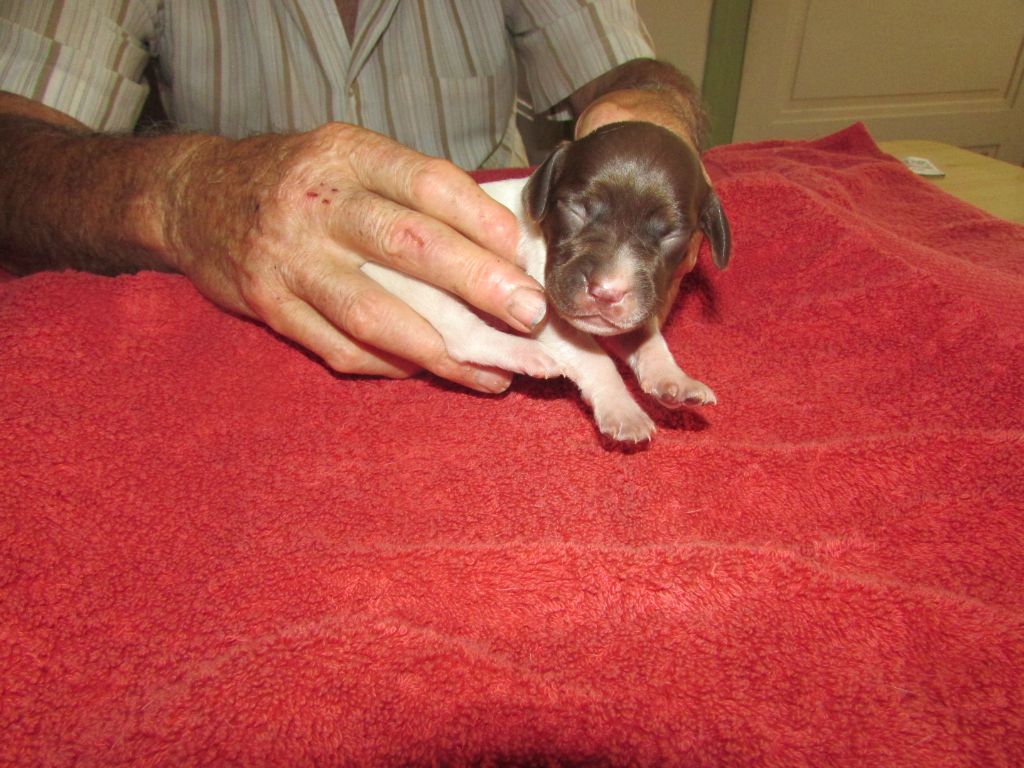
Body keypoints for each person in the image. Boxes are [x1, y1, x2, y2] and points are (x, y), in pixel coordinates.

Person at [0, 1, 705, 394]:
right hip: (251, 331)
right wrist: (188, 192)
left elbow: (628, 68)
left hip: (507, 287)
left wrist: (657, 117)